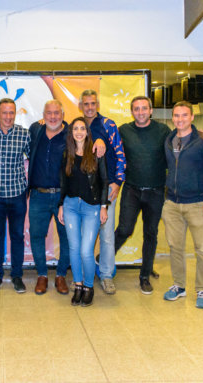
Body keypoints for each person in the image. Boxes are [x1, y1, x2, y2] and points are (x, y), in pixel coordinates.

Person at [162, 101, 203, 309]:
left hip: (198, 203)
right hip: (173, 204)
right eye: (176, 116)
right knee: (175, 247)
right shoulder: (168, 139)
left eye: (184, 115)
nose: (180, 119)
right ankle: (179, 286)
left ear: (192, 117)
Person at [113, 96, 171, 294]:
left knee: (151, 234)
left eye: (144, 108)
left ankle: (145, 275)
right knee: (124, 229)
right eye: (136, 109)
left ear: (151, 110)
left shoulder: (163, 131)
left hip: (156, 191)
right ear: (132, 112)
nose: (140, 112)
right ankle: (103, 261)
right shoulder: (124, 130)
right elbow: (113, 150)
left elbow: (176, 150)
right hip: (131, 190)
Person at [58, 117, 109, 307]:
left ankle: (88, 286)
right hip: (71, 205)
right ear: (71, 133)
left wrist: (104, 206)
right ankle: (78, 284)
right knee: (74, 248)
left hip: (92, 207)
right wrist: (61, 205)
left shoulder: (96, 153)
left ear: (87, 132)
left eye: (82, 128)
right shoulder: (67, 154)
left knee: (86, 251)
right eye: (75, 129)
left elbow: (104, 181)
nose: (79, 132)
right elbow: (63, 182)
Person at [79, 90, 125, 295]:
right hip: (83, 191)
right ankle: (82, 275)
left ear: (97, 104)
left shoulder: (108, 125)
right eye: (86, 104)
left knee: (106, 235)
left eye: (93, 103)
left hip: (107, 189)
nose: (89, 107)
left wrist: (117, 182)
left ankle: (106, 275)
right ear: (81, 106)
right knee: (83, 235)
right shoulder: (76, 126)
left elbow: (120, 154)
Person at [0, 98, 30, 294]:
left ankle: (17, 275)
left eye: (11, 112)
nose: (8, 116)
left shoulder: (24, 135)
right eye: (4, 112)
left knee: (17, 236)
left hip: (17, 194)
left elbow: (35, 160)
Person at [28, 100, 70, 295]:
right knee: (37, 236)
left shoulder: (70, 135)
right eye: (49, 113)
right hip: (38, 195)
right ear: (43, 114)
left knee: (67, 237)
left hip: (64, 197)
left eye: (57, 113)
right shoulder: (35, 131)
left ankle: (61, 275)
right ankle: (42, 275)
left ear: (62, 114)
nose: (53, 116)